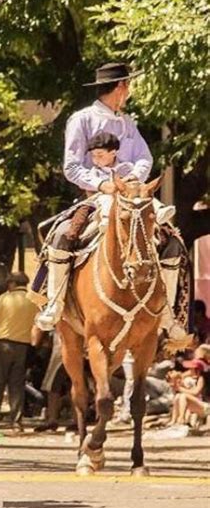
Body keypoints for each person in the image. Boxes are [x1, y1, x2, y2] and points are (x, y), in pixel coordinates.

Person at [35, 62, 186, 342]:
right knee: (62, 235)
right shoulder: (81, 119)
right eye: (127, 85)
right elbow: (71, 167)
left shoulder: (127, 122)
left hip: (132, 198)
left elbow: (145, 158)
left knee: (172, 242)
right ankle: (54, 303)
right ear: (120, 87)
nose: (128, 92)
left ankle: (168, 314)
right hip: (95, 196)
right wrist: (103, 184)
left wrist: (131, 182)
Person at [0, 272, 38, 434]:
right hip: (22, 346)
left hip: (2, 344)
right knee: (17, 386)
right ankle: (16, 423)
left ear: (12, 283)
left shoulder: (6, 298)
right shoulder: (32, 300)